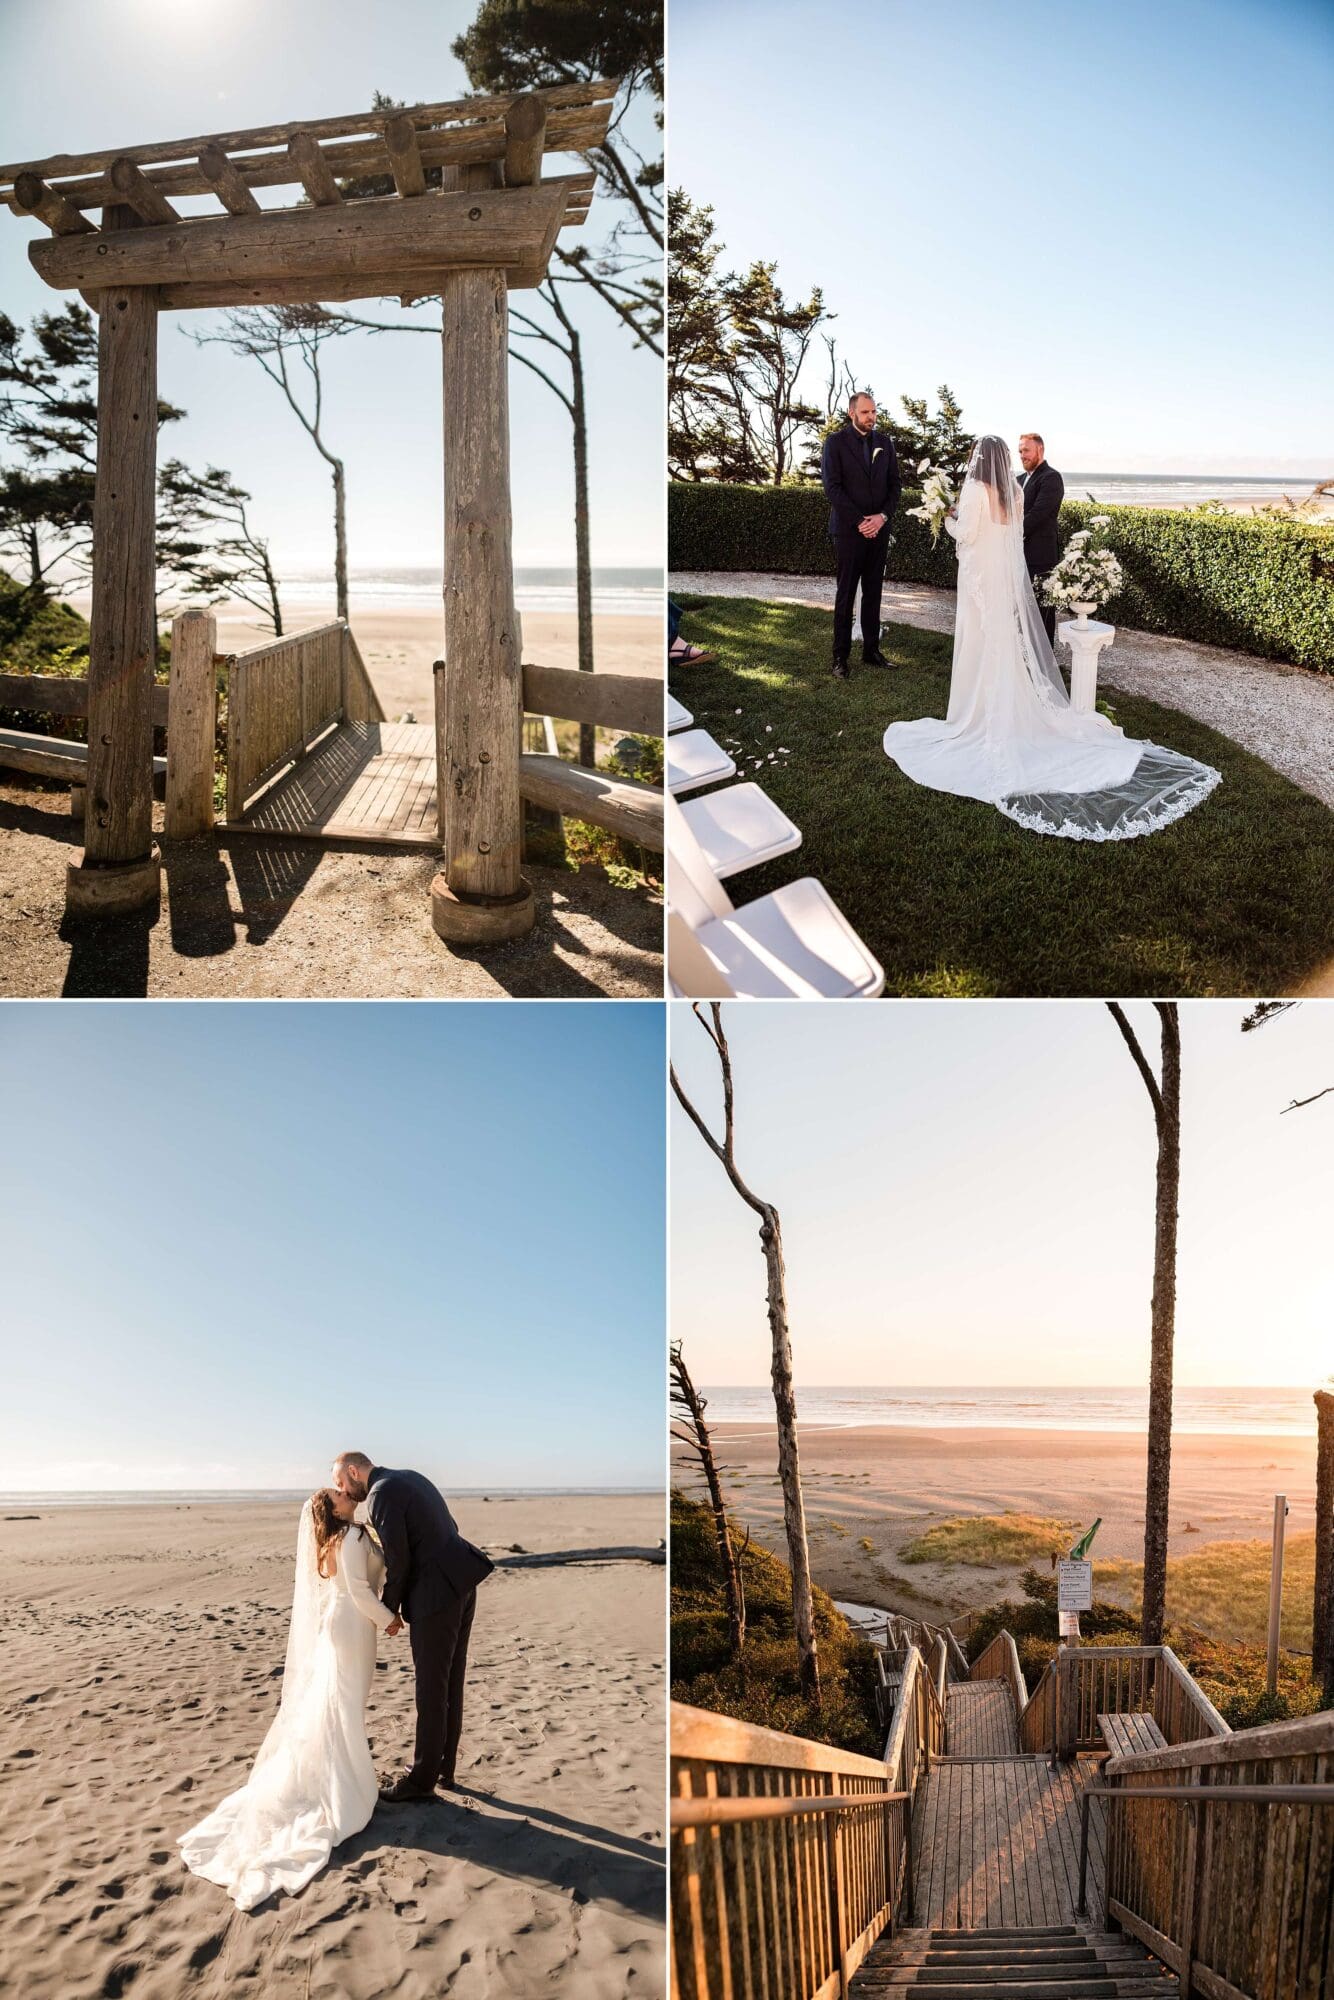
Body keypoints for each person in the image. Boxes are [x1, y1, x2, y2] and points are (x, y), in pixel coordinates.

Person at [882, 435, 1220, 840]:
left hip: (979, 582)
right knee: (1003, 644)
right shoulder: (1014, 492)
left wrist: (946, 516)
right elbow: (1009, 534)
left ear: (979, 459)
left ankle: (980, 715)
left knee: (981, 643)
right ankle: (1009, 707)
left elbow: (967, 534)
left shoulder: (975, 489)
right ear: (1004, 459)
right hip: (1002, 579)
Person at [178, 1488, 396, 1911]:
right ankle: (343, 1790)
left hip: (348, 1625)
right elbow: (357, 1589)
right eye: (337, 1493)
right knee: (344, 1706)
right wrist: (389, 1620)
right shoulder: (349, 1539)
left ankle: (337, 1776)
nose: (345, 1493)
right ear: (332, 1509)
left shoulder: (349, 1534)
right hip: (353, 1625)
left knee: (339, 1704)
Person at [332, 1453, 494, 1803]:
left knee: (431, 1688)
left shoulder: (380, 1494)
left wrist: (389, 1611)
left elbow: (398, 1559)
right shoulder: (408, 1477)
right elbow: (447, 1524)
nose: (342, 1490)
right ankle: (444, 1768)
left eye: (341, 1483)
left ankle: (422, 1780)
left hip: (436, 1595)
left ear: (353, 1471)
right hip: (462, 1581)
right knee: (451, 1680)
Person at [820, 391, 902, 678]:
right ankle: (840, 657)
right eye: (866, 412)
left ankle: (871, 650)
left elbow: (895, 487)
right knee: (846, 594)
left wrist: (881, 517)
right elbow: (832, 488)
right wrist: (859, 521)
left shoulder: (885, 444)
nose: (871, 417)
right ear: (852, 412)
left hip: (879, 530)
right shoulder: (835, 443)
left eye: (874, 412)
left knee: (873, 592)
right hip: (848, 531)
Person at [1017, 432, 1064, 645]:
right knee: (1021, 609)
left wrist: (1008, 532)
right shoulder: (1017, 480)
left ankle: (1046, 664)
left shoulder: (1051, 478)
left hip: (1041, 557)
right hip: (1017, 555)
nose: (1022, 455)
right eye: (1020, 451)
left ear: (1040, 450)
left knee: (1043, 611)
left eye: (1026, 450)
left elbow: (1037, 515)